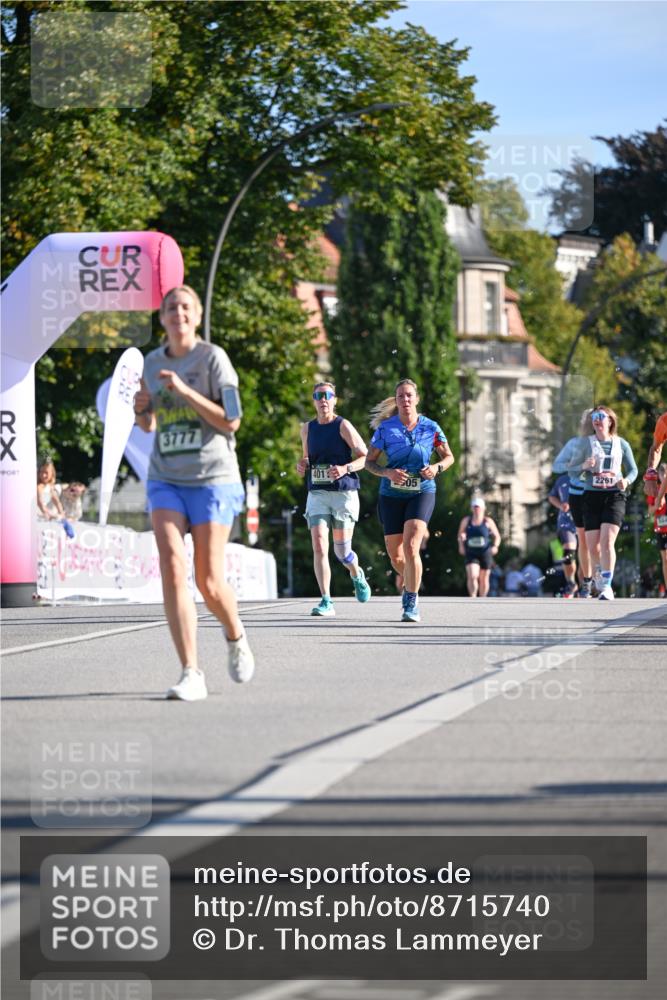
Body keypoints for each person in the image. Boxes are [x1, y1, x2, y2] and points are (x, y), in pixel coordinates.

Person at [133, 284, 254, 701]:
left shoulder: (212, 359)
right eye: (170, 308)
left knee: (207, 580)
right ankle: (191, 671)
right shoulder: (151, 363)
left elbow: (233, 420)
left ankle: (236, 635)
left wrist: (185, 391)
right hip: (165, 476)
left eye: (185, 307)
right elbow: (149, 426)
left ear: (196, 316)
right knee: (170, 564)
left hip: (213, 477)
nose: (178, 313)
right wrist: (140, 409)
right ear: (162, 318)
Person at [365, 378, 454, 623]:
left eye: (409, 395)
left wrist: (436, 468)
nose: (405, 400)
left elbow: (448, 457)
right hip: (391, 494)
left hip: (422, 490)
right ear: (396, 400)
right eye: (401, 396)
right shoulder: (385, 429)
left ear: (416, 399)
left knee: (412, 545)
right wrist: (387, 472)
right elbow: (369, 462)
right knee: (396, 557)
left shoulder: (431, 427)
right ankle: (412, 580)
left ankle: (411, 600)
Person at [296, 381, 371, 616]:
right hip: (317, 492)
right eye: (318, 395)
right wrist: (303, 464)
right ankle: (326, 600)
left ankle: (356, 573)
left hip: (343, 494)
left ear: (335, 400)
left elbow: (365, 458)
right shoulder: (307, 428)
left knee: (342, 552)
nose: (323, 399)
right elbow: (309, 458)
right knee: (319, 544)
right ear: (314, 400)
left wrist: (345, 468)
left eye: (327, 395)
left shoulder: (343, 425)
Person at [567, 404, 638, 601]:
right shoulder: (585, 444)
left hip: (614, 496)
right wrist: (584, 465)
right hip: (591, 497)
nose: (597, 419)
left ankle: (606, 585)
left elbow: (633, 470)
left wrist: (626, 481)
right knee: (593, 547)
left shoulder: (621, 444)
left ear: (610, 421)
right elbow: (571, 471)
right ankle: (601, 573)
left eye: (601, 416)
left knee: (607, 541)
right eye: (594, 417)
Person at [552, 408, 597, 597]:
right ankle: (574, 584)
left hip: (594, 501)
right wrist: (560, 504)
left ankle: (590, 582)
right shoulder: (563, 479)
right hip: (567, 519)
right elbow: (557, 466)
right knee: (571, 551)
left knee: (590, 548)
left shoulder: (608, 443)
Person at [457, 498, 501, 597]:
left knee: (484, 577)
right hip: (471, 552)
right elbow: (460, 535)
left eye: (479, 507)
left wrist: (495, 546)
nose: (477, 509)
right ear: (472, 508)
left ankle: (482, 598)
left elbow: (497, 536)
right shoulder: (466, 521)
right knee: (472, 575)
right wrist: (461, 545)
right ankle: (473, 597)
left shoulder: (488, 521)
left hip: (485, 552)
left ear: (483, 508)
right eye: (475, 507)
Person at [548, 474, 578, 597]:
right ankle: (571, 582)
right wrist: (561, 505)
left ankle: (585, 584)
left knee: (586, 554)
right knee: (568, 550)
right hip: (566, 522)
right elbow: (551, 496)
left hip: (585, 520)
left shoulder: (588, 475)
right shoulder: (562, 479)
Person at [647, 463, 667, 597]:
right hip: (661, 528)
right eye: (662, 474)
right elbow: (650, 511)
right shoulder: (656, 490)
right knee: (665, 559)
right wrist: (657, 504)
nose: (664, 477)